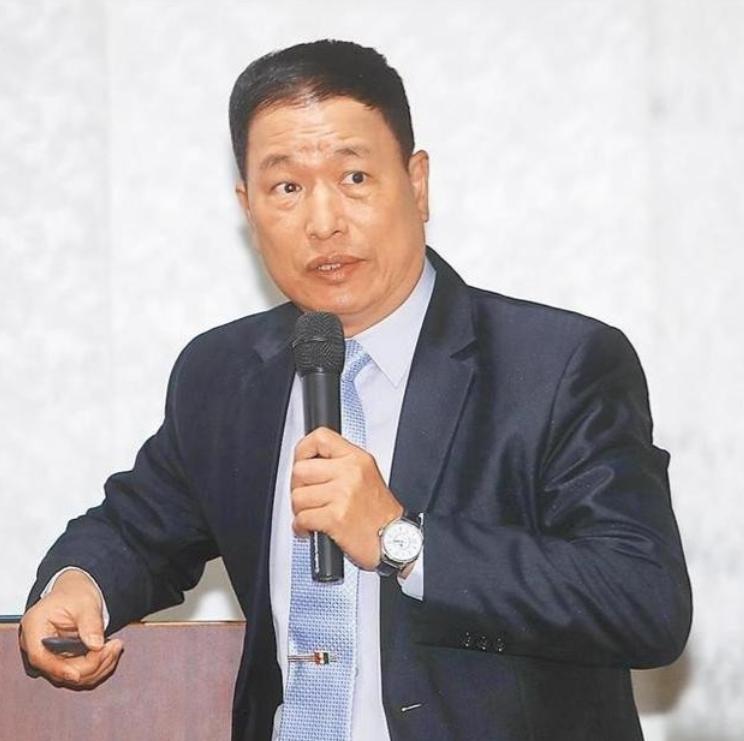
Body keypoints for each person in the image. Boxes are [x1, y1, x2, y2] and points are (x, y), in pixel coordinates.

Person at [20, 39, 691, 741]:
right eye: (286, 188)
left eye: (355, 177)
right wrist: (79, 586)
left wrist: (402, 541)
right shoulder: (223, 373)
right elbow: (135, 528)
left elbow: (643, 602)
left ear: (417, 183)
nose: (323, 222)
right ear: (247, 206)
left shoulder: (557, 366)